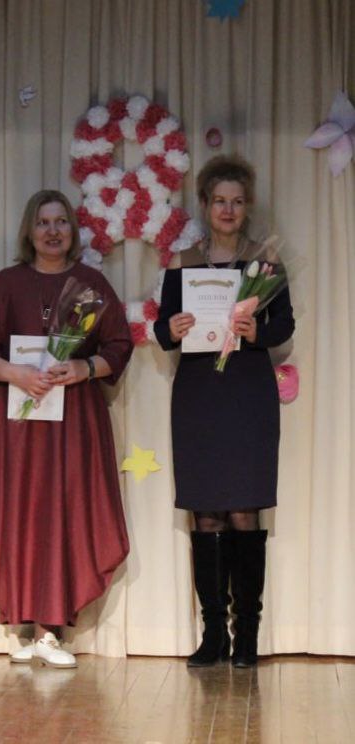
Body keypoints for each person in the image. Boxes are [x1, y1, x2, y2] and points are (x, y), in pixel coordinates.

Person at [0, 190, 132, 669]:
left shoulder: (91, 283)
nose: (53, 231)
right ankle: (26, 623)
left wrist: (84, 368)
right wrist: (15, 373)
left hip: (73, 423)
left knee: (65, 509)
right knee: (20, 509)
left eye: (61, 222)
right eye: (43, 222)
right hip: (18, 426)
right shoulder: (6, 284)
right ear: (29, 230)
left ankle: (51, 631)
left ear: (72, 230)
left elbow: (119, 346)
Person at [154, 155, 295, 669]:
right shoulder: (183, 262)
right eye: (219, 201)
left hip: (247, 394)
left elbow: (284, 326)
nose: (228, 210)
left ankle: (247, 634)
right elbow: (162, 329)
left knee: (243, 509)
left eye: (236, 201)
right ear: (205, 205)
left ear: (247, 205)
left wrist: (257, 331)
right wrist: (172, 328)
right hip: (199, 395)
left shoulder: (266, 261)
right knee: (207, 511)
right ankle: (213, 634)